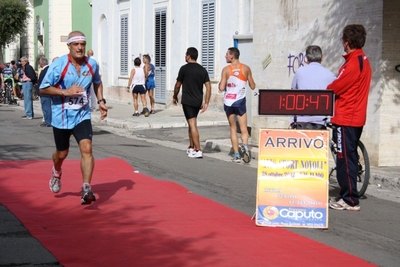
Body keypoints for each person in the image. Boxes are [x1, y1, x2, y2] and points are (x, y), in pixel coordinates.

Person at [39, 30, 108, 205]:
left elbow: (97, 82)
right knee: (62, 153)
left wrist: (100, 100)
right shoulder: (58, 65)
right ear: (69, 46)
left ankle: (86, 187)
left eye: (82, 44)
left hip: (82, 114)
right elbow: (42, 88)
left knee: (87, 148)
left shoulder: (92, 64)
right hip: (61, 116)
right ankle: (56, 171)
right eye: (76, 44)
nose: (79, 48)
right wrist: (64, 91)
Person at [327, 24, 372, 211]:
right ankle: (347, 193)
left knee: (344, 158)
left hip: (347, 117)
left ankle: (350, 199)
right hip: (353, 116)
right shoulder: (361, 60)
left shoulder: (353, 63)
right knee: (348, 156)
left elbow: (334, 87)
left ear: (347, 42)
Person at [219, 47, 256, 163]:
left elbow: (220, 88)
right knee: (244, 128)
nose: (225, 56)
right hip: (240, 101)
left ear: (232, 56)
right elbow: (253, 86)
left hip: (229, 102)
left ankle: (236, 155)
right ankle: (244, 146)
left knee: (232, 128)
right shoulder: (246, 68)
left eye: (227, 54)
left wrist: (224, 83)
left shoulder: (226, 70)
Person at [173, 47, 211, 159]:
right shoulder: (202, 70)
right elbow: (208, 87)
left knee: (192, 124)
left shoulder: (184, 69)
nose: (185, 56)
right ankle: (191, 146)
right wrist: (206, 102)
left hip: (188, 101)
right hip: (197, 100)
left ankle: (198, 149)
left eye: (186, 54)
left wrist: (175, 96)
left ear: (189, 56)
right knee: (191, 123)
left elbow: (178, 85)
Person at [291, 45, 336, 129]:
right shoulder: (330, 75)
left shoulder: (300, 72)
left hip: (302, 120)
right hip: (321, 120)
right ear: (322, 58)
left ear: (306, 58)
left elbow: (293, 92)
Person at [37, 56, 52, 127]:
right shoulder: (45, 69)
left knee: (46, 107)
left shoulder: (46, 69)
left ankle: (48, 121)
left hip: (45, 91)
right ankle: (47, 120)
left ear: (41, 63)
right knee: (45, 107)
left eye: (39, 62)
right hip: (43, 91)